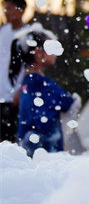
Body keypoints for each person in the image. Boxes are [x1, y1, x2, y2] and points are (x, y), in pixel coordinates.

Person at [12, 26, 76, 157]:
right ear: (38, 53)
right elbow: (69, 102)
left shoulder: (25, 83)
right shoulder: (43, 84)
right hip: (48, 153)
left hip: (27, 149)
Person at [0, 0, 31, 143]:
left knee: (11, 140)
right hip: (1, 92)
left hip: (15, 96)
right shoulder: (2, 31)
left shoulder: (29, 34)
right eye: (4, 8)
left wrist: (21, 90)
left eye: (10, 8)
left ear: (21, 10)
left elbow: (29, 66)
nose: (6, 12)